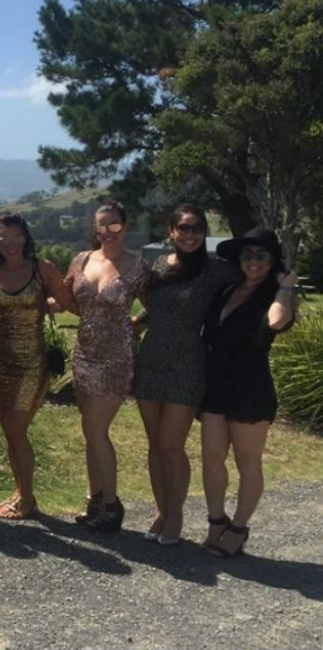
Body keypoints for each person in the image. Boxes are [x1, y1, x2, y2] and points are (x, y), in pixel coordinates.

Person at [133, 204, 239, 544]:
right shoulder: (159, 265)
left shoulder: (216, 270)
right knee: (154, 444)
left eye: (197, 228)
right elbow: (159, 307)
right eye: (184, 228)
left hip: (188, 364)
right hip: (151, 360)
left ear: (204, 233)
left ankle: (176, 514)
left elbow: (252, 281)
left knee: (171, 444)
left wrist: (283, 286)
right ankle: (161, 511)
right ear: (171, 231)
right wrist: (138, 322)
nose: (190, 234)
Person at [200, 228, 297, 557]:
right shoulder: (228, 289)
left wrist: (285, 287)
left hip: (250, 388)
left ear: (273, 261)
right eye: (248, 255)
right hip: (216, 384)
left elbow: (276, 322)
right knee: (212, 457)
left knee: (248, 462)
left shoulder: (275, 295)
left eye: (262, 255)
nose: (254, 261)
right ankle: (216, 521)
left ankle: (239, 528)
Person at [0, 213, 70, 519]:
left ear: (26, 238)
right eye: (3, 238)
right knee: (10, 433)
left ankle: (27, 499)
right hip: (0, 362)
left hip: (32, 363)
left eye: (16, 237)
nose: (10, 244)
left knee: (16, 431)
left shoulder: (43, 269)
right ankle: (20, 492)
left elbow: (69, 301)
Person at [63, 201, 149, 532]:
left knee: (97, 429)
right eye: (101, 226)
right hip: (84, 354)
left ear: (125, 226)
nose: (107, 231)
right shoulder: (81, 260)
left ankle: (112, 506)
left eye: (114, 225)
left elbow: (157, 306)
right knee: (90, 431)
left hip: (116, 358)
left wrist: (136, 323)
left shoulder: (138, 267)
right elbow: (67, 299)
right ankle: (95, 499)